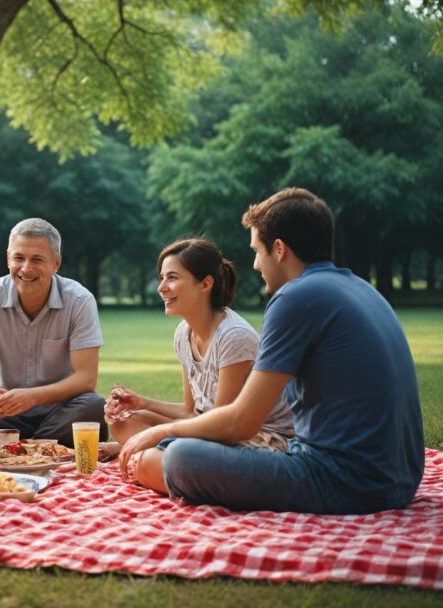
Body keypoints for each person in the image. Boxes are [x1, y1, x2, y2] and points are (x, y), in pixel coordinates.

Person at [118, 188, 425, 514]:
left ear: (279, 249)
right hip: (401, 477)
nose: (254, 264)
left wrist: (163, 431)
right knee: (170, 447)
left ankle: (152, 461)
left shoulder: (295, 297)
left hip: (346, 482)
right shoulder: (362, 289)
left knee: (179, 458)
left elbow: (241, 423)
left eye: (257, 251)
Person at [106, 238, 293, 455]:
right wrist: (141, 402)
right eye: (162, 278)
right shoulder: (183, 333)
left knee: (154, 460)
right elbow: (189, 410)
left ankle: (152, 457)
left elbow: (223, 426)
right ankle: (149, 455)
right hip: (206, 427)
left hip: (255, 439)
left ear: (205, 284)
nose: (162, 288)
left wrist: (155, 436)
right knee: (123, 422)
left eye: (172, 278)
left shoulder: (234, 337)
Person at [0, 217, 106, 447]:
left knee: (94, 406)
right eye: (18, 258)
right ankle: (42, 445)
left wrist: (33, 396)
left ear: (56, 263)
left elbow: (86, 379)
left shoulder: (79, 300)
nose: (26, 268)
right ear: (8, 258)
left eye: (37, 259)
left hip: (60, 411)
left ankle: (16, 445)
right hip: (5, 412)